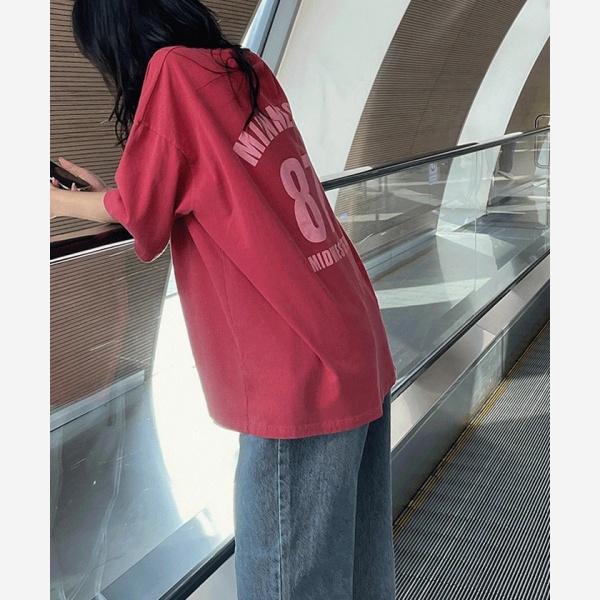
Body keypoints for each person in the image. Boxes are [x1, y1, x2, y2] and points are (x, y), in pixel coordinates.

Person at [50, 1, 397, 598]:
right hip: (352, 331)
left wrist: (56, 202)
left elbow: (143, 216)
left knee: (285, 582)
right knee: (361, 567)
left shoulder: (172, 74)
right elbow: (174, 190)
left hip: (298, 368)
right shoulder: (248, 68)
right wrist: (112, 195)